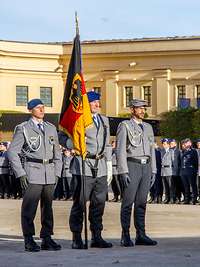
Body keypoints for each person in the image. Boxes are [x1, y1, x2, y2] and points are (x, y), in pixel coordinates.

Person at [7, 98, 62, 252]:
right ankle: (29, 238)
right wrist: (20, 173)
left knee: (48, 207)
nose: (42, 110)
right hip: (32, 171)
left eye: (43, 107)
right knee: (29, 207)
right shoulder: (23, 128)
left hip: (49, 171)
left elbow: (57, 152)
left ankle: (47, 237)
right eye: (38, 108)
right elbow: (12, 152)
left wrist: (57, 172)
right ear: (30, 110)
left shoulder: (51, 128)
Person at [60, 90, 112, 249]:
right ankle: (76, 237)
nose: (97, 104)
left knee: (99, 203)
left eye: (98, 102)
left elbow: (107, 143)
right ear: (86, 105)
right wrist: (74, 145)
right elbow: (62, 136)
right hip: (83, 165)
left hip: (100, 166)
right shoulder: (78, 119)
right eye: (94, 102)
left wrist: (109, 163)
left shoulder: (104, 120)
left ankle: (97, 236)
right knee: (80, 204)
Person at [116, 98, 157, 247]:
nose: (142, 111)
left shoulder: (148, 127)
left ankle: (141, 234)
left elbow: (152, 149)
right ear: (132, 110)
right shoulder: (125, 125)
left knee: (141, 202)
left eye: (144, 109)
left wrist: (153, 170)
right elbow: (120, 150)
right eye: (140, 108)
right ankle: (125, 235)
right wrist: (123, 171)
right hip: (132, 165)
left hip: (146, 167)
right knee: (128, 202)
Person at [180, 138, 198, 205]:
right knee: (186, 186)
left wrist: (194, 170)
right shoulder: (183, 151)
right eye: (184, 143)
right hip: (183, 171)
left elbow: (196, 162)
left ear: (190, 143)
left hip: (191, 170)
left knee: (193, 185)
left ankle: (194, 199)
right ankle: (187, 199)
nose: (185, 144)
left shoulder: (193, 151)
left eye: (186, 142)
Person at [160, 138, 174, 204]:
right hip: (163, 170)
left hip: (169, 170)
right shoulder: (162, 151)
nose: (163, 145)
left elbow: (173, 162)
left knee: (170, 186)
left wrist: (173, 171)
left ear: (168, 144)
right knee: (165, 186)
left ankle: (171, 199)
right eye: (163, 144)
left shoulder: (171, 151)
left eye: (165, 144)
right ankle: (166, 198)